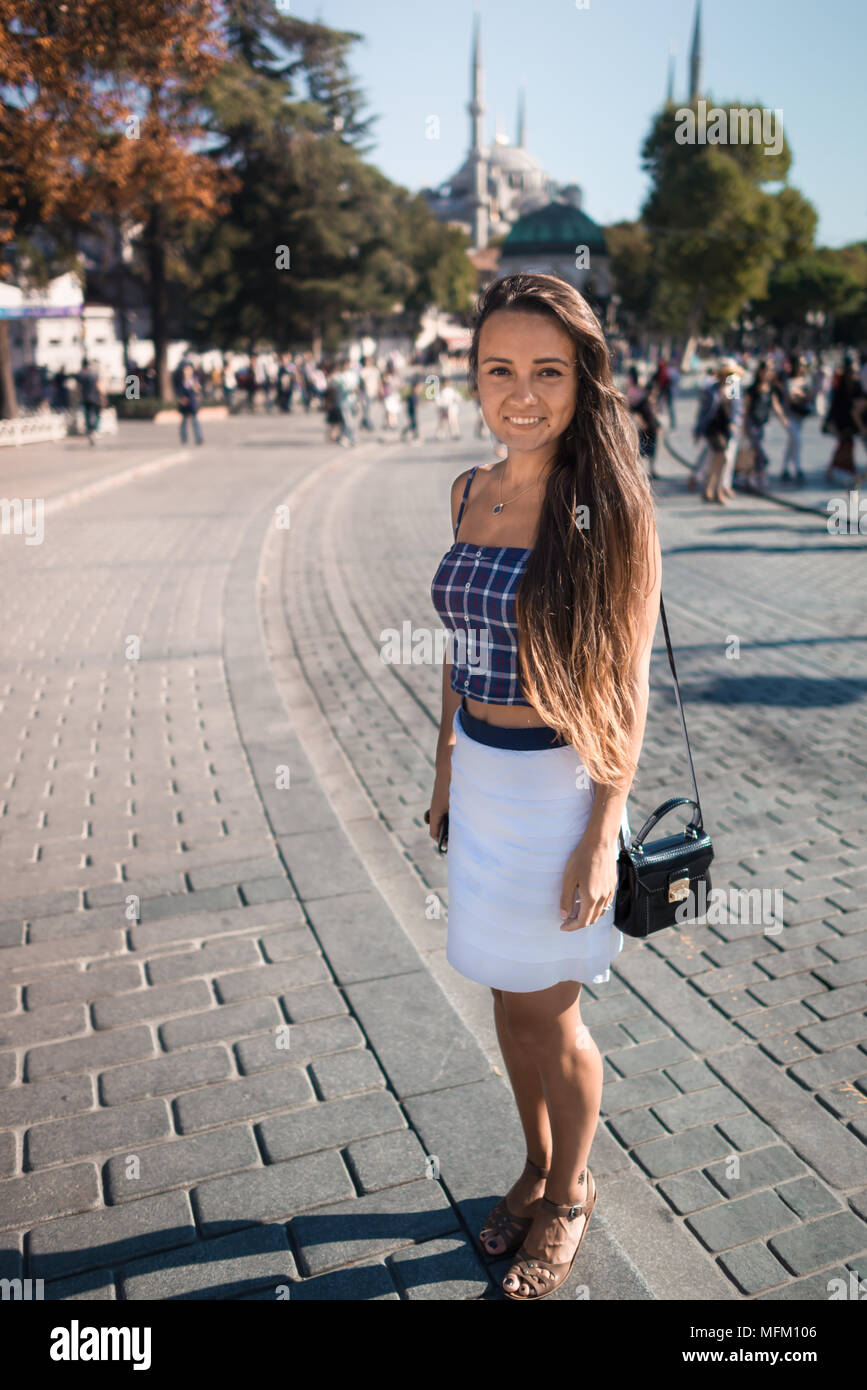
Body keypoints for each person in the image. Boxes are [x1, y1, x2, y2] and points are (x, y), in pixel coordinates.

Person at [429, 272, 660, 1301]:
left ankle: (570, 1195)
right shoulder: (468, 489)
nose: (521, 392)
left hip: (560, 790)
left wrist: (602, 830)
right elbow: (457, 649)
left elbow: (627, 679)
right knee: (506, 995)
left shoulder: (605, 505)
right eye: (499, 369)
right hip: (480, 777)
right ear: (475, 377)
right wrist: (441, 766)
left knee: (553, 1010)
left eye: (547, 371)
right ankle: (532, 1162)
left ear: (583, 378)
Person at [741, 360, 788, 491]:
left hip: (764, 424)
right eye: (767, 370)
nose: (769, 373)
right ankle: (760, 474)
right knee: (758, 449)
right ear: (760, 371)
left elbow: (775, 405)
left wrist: (783, 418)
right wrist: (744, 425)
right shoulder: (752, 389)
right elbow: (746, 408)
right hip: (752, 422)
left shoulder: (771, 389)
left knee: (756, 451)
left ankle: (752, 476)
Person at [824, 357, 867, 483]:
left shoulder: (855, 385)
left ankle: (832, 470)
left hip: (849, 422)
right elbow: (837, 406)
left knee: (844, 446)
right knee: (846, 445)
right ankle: (850, 473)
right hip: (842, 422)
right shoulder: (842, 385)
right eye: (853, 372)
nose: (855, 374)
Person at [778, 356, 813, 485]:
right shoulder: (788, 380)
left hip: (800, 416)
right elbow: (791, 398)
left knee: (791, 442)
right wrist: (801, 395)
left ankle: (785, 469)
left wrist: (801, 395)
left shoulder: (805, 380)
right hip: (789, 416)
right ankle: (798, 469)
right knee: (797, 440)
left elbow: (809, 396)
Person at [626, 366, 659, 480]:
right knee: (642, 448)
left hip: (648, 424)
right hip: (644, 425)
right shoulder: (637, 391)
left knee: (647, 447)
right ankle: (643, 471)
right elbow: (634, 409)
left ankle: (649, 470)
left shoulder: (634, 391)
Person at [176, 362, 203, 445]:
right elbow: (178, 391)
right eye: (186, 369)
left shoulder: (194, 379)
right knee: (184, 421)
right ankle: (184, 438)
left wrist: (196, 387)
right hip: (184, 403)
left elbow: (198, 389)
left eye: (189, 369)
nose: (188, 371)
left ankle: (198, 438)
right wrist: (181, 399)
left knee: (195, 420)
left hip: (192, 403)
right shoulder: (180, 380)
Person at [78, 358, 103, 445]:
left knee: (88, 415)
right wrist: (102, 396)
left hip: (85, 398)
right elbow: (98, 386)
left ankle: (90, 430)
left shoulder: (81, 375)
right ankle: (94, 430)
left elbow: (79, 388)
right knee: (96, 414)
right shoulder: (94, 375)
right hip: (95, 398)